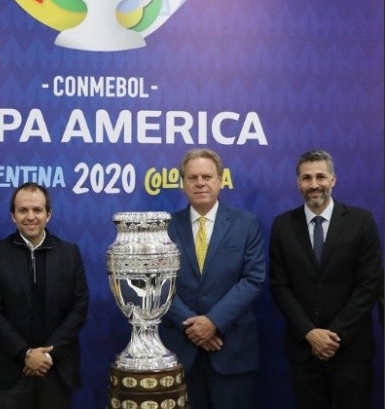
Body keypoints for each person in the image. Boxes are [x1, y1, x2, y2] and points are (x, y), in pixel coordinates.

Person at [269, 149, 382, 408]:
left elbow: (369, 284)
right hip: (304, 351)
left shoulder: (361, 221)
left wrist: (334, 335)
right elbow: (280, 286)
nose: (314, 184)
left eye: (321, 176)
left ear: (333, 179)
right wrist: (310, 333)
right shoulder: (283, 225)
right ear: (298, 183)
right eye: (306, 178)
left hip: (352, 349)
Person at [159, 148, 266, 409]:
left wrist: (213, 322)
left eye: (207, 176)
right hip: (182, 349)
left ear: (220, 180)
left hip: (232, 350)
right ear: (182, 183)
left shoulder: (246, 223)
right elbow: (159, 283)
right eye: (192, 177)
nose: (200, 183)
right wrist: (192, 327)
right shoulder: (165, 227)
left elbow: (253, 278)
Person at [0, 182, 89, 409]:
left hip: (56, 368)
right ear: (13, 216)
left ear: (49, 214)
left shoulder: (69, 253)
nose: (30, 217)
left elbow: (79, 308)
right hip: (13, 369)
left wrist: (48, 355)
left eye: (37, 210)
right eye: (23, 210)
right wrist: (25, 354)